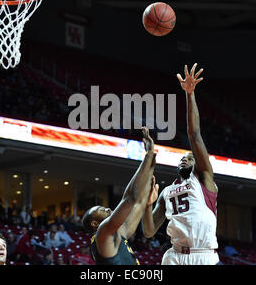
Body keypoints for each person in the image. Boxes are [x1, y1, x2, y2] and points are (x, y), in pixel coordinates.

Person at [142, 63, 219, 265]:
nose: (185, 158)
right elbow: (149, 232)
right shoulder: (167, 191)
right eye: (183, 157)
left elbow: (194, 135)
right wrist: (147, 205)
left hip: (203, 254)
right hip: (174, 256)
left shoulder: (202, 178)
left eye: (190, 158)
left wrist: (189, 94)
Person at [82, 127, 157, 265]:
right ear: (94, 223)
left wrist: (150, 160)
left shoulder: (116, 234)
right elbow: (131, 198)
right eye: (102, 210)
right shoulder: (103, 233)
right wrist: (148, 155)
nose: (108, 209)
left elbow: (138, 201)